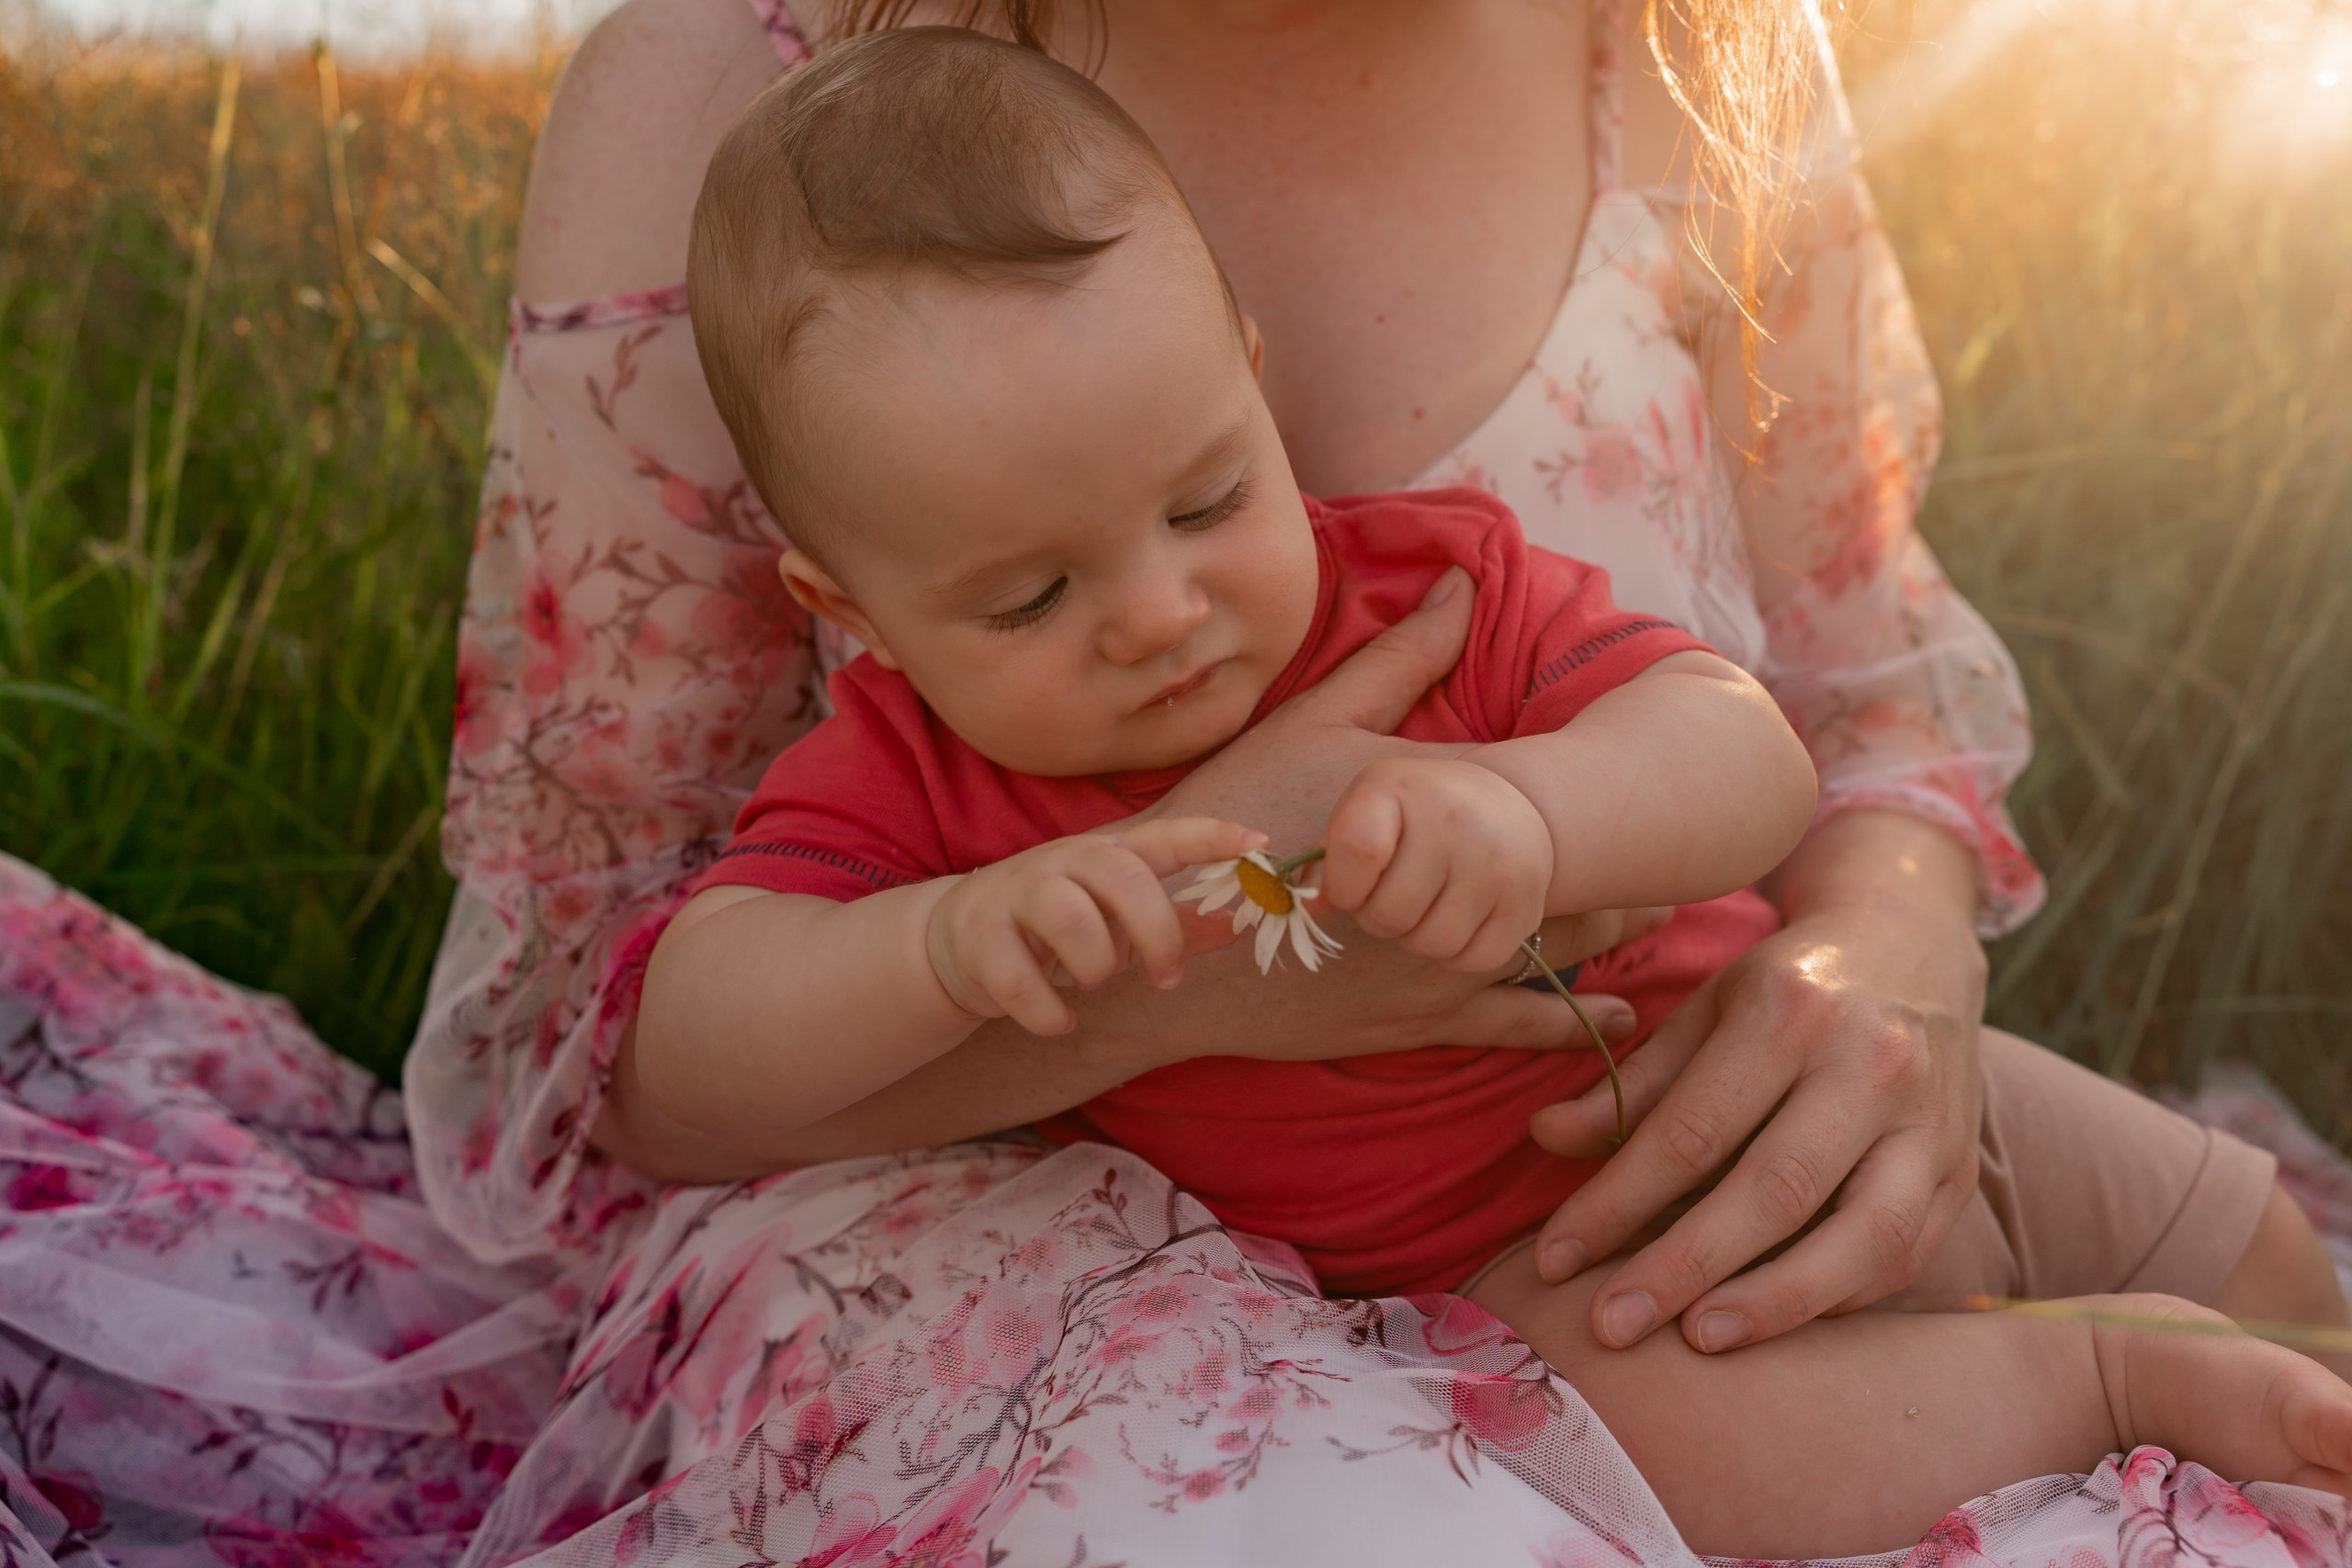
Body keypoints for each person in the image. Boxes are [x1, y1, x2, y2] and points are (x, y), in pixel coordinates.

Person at [4, 2, 2348, 1564]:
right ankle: (2100, 1386)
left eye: (1208, 493)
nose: (1152, 614)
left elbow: (1753, 725)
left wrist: (1601, 841)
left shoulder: (1423, 563)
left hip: (1773, 1041)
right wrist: (999, 966)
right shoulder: (911, 775)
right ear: (848, 589)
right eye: (1025, 598)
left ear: (1245, 367)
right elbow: (649, 1018)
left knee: (2238, 1233)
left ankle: (2230, 1315)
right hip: (1520, 1242)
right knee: (1703, 1460)